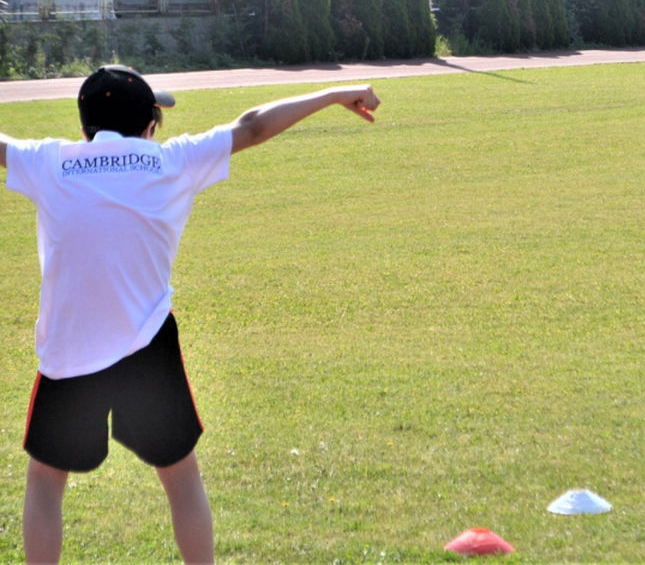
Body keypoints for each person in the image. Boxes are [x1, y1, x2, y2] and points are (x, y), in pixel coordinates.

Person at [0, 65, 381, 565]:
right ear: (149, 126)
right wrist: (335, 93)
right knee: (181, 478)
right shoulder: (169, 163)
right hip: (147, 347)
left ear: (85, 126)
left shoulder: (52, 162)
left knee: (46, 483)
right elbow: (253, 126)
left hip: (69, 353)